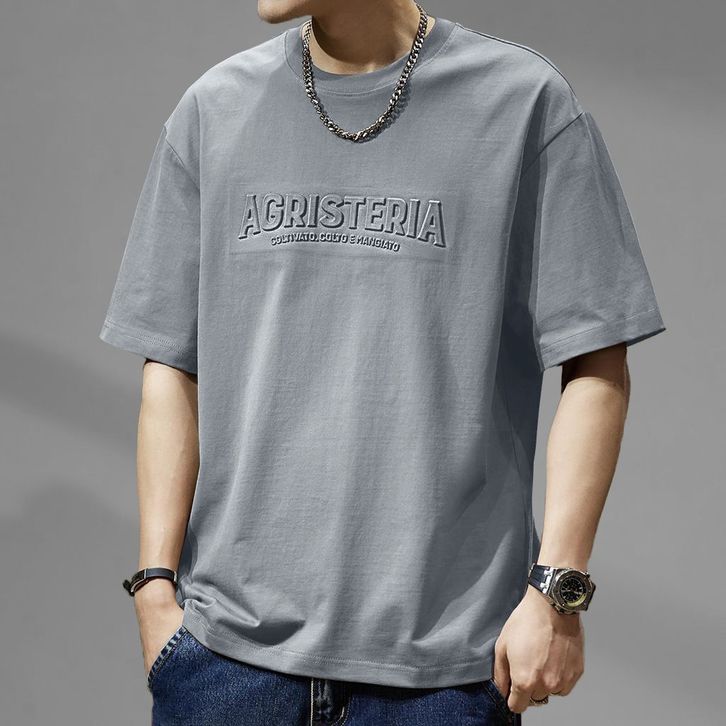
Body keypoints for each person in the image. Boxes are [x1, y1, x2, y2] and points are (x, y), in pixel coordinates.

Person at [98, 1, 666, 724]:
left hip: (443, 676)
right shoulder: (213, 110)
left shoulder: (524, 104)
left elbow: (596, 360)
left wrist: (557, 592)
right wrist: (154, 587)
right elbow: (172, 364)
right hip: (224, 664)